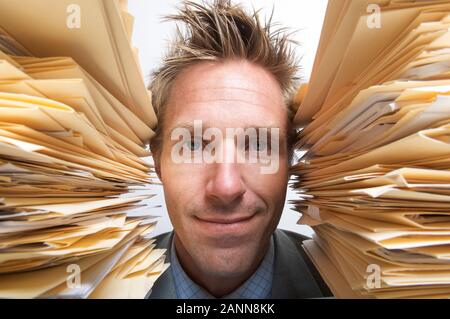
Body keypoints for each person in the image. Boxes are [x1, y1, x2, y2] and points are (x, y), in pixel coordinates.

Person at [146, 0, 332, 299]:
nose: (226, 186)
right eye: (193, 144)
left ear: (290, 162)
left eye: (259, 144)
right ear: (158, 161)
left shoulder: (352, 287)